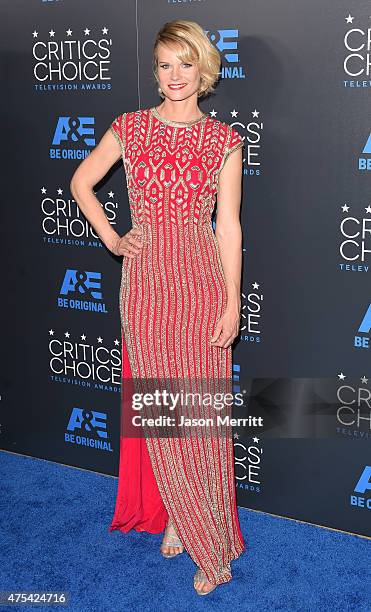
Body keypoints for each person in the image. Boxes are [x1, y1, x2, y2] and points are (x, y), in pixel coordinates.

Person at [70, 18, 245, 596]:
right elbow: (81, 183)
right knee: (164, 411)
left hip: (200, 285)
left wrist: (232, 301)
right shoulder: (130, 128)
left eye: (185, 64)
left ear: (204, 70)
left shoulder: (223, 140)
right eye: (165, 64)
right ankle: (179, 513)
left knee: (198, 416)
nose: (174, 76)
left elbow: (229, 227)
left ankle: (208, 536)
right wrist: (114, 238)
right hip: (144, 287)